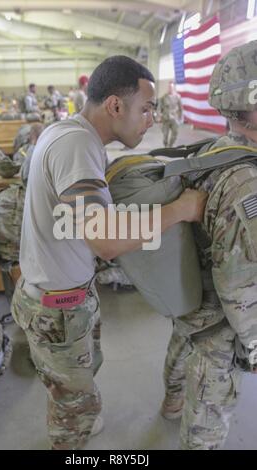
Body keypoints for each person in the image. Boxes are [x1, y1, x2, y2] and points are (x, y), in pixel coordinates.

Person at [11, 55, 207, 450]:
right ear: (115, 105)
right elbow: (105, 239)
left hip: (62, 296)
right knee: (73, 418)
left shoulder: (66, 132)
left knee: (78, 387)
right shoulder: (77, 145)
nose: (150, 118)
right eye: (146, 108)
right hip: (59, 308)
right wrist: (180, 209)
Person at [161, 41, 257, 450]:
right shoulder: (247, 182)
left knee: (182, 351)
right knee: (208, 419)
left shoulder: (213, 152)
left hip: (190, 299)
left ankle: (171, 400)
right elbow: (240, 287)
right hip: (218, 321)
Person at [158, 82, 183, 148]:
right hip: (165, 118)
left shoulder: (178, 97)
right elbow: (159, 108)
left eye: (171, 87)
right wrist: (159, 118)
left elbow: (181, 109)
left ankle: (170, 146)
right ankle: (165, 144)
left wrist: (180, 118)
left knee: (175, 133)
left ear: (174, 88)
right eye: (169, 87)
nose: (170, 89)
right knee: (165, 135)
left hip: (175, 118)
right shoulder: (164, 97)